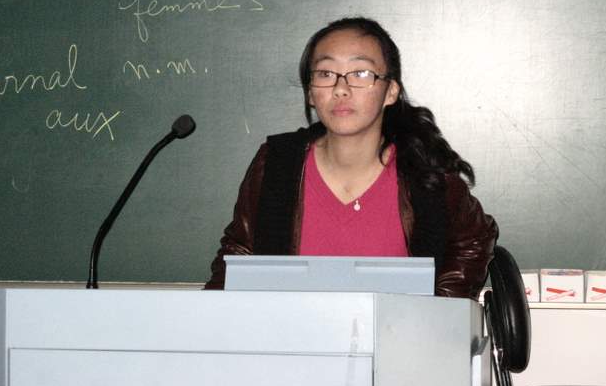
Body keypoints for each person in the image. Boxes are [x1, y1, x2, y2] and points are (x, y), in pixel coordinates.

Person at [205, 17, 497, 299]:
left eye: (361, 73)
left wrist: (439, 309)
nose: (341, 89)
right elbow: (239, 252)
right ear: (310, 93)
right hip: (292, 331)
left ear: (390, 91)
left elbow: (473, 239)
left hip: (396, 333)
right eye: (325, 74)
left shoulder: (421, 171)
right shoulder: (278, 163)